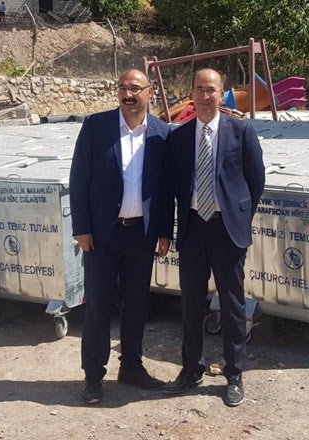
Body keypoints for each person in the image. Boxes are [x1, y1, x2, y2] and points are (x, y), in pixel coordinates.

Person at [162, 68, 265, 407]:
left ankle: (234, 374)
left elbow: (256, 180)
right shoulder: (178, 137)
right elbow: (170, 188)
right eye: (199, 90)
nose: (205, 96)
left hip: (226, 230)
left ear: (222, 94)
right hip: (193, 228)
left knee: (232, 305)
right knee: (191, 304)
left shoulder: (241, 131)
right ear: (191, 93)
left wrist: (238, 217)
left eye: (211, 90)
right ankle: (191, 369)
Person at [70, 69, 172, 405]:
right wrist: (81, 228)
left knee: (137, 305)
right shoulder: (96, 127)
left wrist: (164, 231)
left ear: (150, 92)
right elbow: (79, 178)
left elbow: (165, 189)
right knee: (98, 306)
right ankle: (93, 375)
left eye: (135, 89)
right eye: (123, 88)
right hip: (102, 234)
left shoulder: (161, 133)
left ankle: (131, 367)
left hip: (141, 234)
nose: (128, 95)